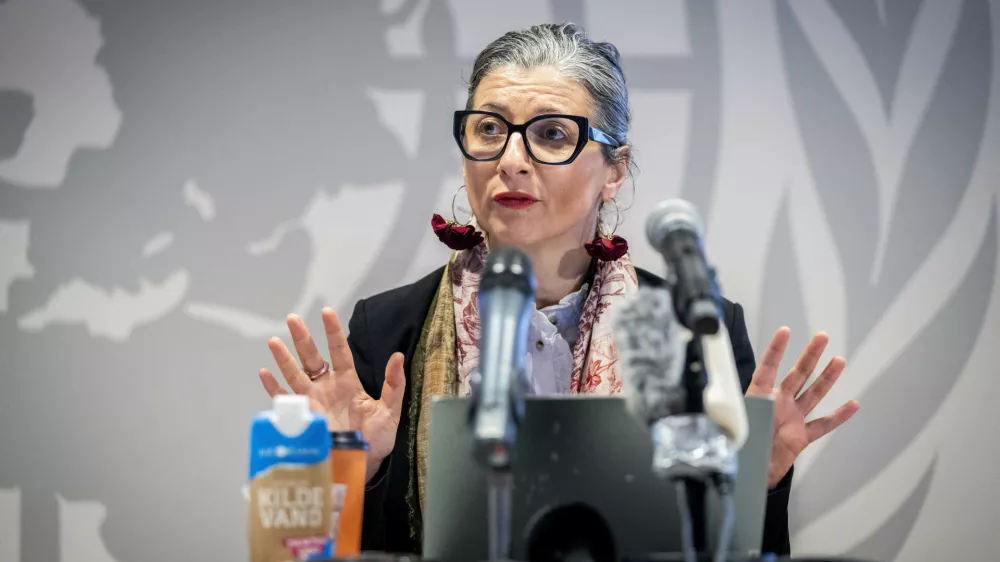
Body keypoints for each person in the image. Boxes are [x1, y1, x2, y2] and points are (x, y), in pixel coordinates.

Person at [257, 22, 860, 557]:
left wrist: (758, 487)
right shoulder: (387, 331)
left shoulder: (698, 333)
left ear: (614, 169)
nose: (511, 159)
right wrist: (354, 471)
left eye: (550, 134)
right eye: (489, 128)